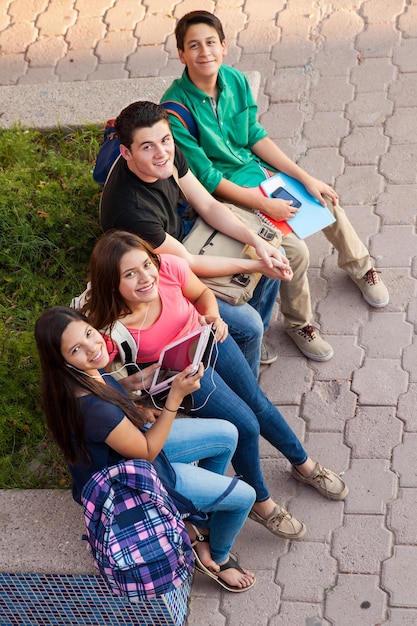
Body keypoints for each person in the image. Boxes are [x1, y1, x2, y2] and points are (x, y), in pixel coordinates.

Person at [83, 230, 349, 542]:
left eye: (146, 265)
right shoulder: (110, 328)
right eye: (130, 274)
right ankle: (261, 504)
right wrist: (133, 391)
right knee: (246, 426)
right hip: (185, 375)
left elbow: (200, 295)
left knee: (257, 401)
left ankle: (304, 465)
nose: (145, 278)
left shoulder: (169, 268)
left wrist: (211, 315)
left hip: (209, 340)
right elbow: (101, 382)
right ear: (111, 283)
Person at [161, 9, 389, 362]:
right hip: (229, 197)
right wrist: (265, 205)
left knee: (325, 200)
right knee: (295, 250)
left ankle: (360, 267)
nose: (204, 52)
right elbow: (207, 180)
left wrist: (303, 177)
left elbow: (254, 136)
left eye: (210, 43)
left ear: (223, 47)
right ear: (181, 54)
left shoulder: (234, 80)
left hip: (258, 176)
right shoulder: (175, 110)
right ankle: (300, 323)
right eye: (194, 46)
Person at [34, 305, 258, 592]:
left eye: (89, 333)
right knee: (245, 497)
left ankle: (197, 523)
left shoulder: (79, 375)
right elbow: (148, 451)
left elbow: (109, 388)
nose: (92, 348)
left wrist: (135, 383)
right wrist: (174, 397)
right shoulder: (93, 411)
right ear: (62, 361)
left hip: (133, 449)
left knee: (227, 433)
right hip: (136, 481)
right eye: (76, 349)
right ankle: (218, 556)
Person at [99, 100, 294, 378]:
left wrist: (258, 244)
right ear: (126, 152)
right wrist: (255, 265)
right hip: (160, 274)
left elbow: (208, 205)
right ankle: (246, 376)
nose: (161, 153)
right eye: (147, 147)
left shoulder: (167, 155)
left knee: (273, 252)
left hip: (188, 234)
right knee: (250, 323)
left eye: (165, 140)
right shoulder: (130, 211)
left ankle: (246, 340)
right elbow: (187, 264)